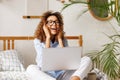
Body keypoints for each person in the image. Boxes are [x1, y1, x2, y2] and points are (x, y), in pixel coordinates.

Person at [32, 10, 92, 80]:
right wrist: (48, 37)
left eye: (57, 22)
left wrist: (60, 40)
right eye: (50, 22)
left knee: (87, 59)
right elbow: (44, 63)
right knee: (31, 68)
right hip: (46, 75)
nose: (54, 24)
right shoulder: (38, 41)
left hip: (62, 74)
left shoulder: (63, 40)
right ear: (44, 25)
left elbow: (67, 63)